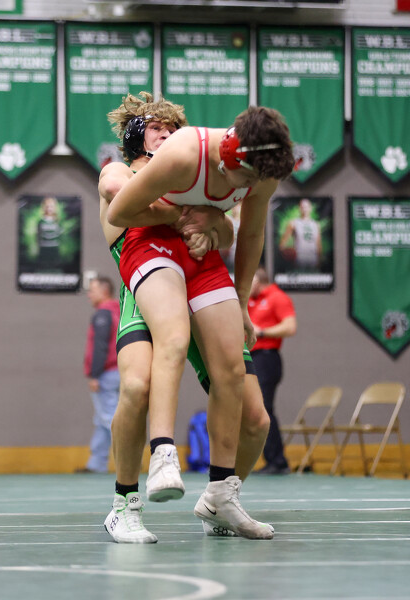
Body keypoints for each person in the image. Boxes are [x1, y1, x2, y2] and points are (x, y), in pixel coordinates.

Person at [107, 101, 295, 540]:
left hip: (200, 268)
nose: (166, 133)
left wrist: (217, 230)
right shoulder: (136, 167)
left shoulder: (253, 170)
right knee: (137, 385)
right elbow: (116, 200)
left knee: (255, 417)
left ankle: (220, 496)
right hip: (149, 269)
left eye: (173, 126)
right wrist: (187, 216)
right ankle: (131, 492)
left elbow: (237, 232)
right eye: (155, 128)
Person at [248, 266, 297, 475]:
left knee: (264, 407)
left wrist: (262, 332)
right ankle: (270, 459)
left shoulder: (277, 297)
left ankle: (278, 461)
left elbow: (290, 327)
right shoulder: (250, 300)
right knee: (253, 409)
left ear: (258, 281)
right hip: (251, 357)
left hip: (267, 358)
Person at [77, 276, 120, 474]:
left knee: (109, 419)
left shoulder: (103, 314)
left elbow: (100, 346)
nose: (89, 294)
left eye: (92, 290)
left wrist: (95, 375)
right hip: (119, 372)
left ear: (104, 291)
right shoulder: (119, 312)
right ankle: (96, 463)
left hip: (106, 374)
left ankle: (129, 462)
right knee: (102, 419)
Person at [279, 198, 322, 270]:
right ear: (299, 208)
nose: (305, 209)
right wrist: (287, 254)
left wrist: (319, 259)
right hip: (299, 257)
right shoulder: (293, 223)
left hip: (313, 257)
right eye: (302, 207)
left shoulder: (316, 225)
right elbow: (282, 243)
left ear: (310, 208)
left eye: (306, 207)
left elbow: (318, 244)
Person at [37, 196, 62, 269]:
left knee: (54, 267)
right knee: (43, 267)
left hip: (54, 249)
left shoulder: (57, 221)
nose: (49, 209)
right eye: (47, 206)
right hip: (43, 249)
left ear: (55, 207)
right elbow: (38, 236)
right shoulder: (41, 221)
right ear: (44, 207)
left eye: (51, 206)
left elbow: (60, 236)